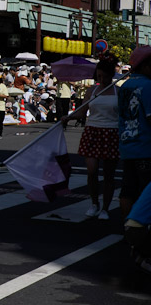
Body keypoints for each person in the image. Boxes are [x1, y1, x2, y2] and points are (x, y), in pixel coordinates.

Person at [63, 53, 120, 220]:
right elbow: (82, 112)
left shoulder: (119, 91)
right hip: (92, 131)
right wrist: (69, 117)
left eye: (105, 76)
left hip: (112, 133)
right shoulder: (92, 90)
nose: (102, 79)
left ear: (111, 75)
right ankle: (94, 203)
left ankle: (105, 208)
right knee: (92, 171)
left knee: (109, 174)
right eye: (99, 76)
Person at [118, 45, 151, 216]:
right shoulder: (148, 86)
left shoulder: (125, 86)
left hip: (127, 145)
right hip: (146, 146)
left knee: (128, 190)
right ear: (145, 66)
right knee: (146, 192)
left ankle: (128, 228)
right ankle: (142, 229)